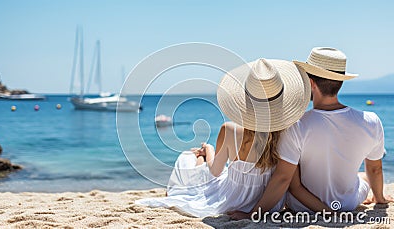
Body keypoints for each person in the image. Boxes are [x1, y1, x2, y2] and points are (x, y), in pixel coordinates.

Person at [136, 58, 330, 217]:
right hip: (267, 206)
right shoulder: (288, 134)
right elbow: (288, 182)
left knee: (188, 157)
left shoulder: (229, 130)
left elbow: (215, 171)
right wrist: (329, 212)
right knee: (199, 162)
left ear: (246, 100)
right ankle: (194, 167)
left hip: (231, 199)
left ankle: (185, 178)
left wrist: (210, 150)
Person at [229, 47, 393, 220]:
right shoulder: (371, 121)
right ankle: (374, 196)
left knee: (360, 177)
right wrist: (380, 199)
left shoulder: (298, 125)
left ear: (311, 83)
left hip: (303, 208)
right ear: (340, 82)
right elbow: (375, 169)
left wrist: (251, 214)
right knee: (364, 177)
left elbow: (284, 180)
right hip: (347, 204)